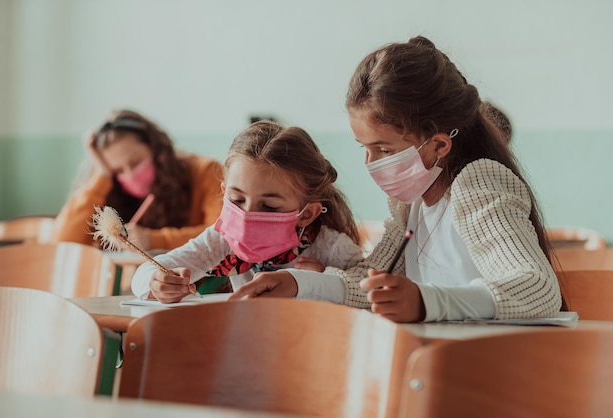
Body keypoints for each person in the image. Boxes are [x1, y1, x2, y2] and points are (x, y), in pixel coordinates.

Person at [231, 36, 564, 323]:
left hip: (495, 373)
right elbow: (371, 284)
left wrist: (424, 302)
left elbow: (536, 288)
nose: (370, 163)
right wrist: (300, 283)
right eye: (365, 147)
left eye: (384, 150)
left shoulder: (476, 184)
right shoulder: (411, 203)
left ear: (438, 145)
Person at [130, 120, 364, 303]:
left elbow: (367, 291)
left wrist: (322, 279)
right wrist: (156, 281)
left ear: (306, 214)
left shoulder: (332, 248)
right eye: (237, 199)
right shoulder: (221, 240)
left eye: (269, 206)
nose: (246, 217)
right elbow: (149, 269)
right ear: (224, 192)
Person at [51, 109, 224, 250]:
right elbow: (63, 246)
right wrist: (102, 175)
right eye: (117, 170)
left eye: (136, 162)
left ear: (155, 148)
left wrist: (152, 240)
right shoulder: (108, 186)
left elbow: (220, 235)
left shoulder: (204, 171)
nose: (130, 174)